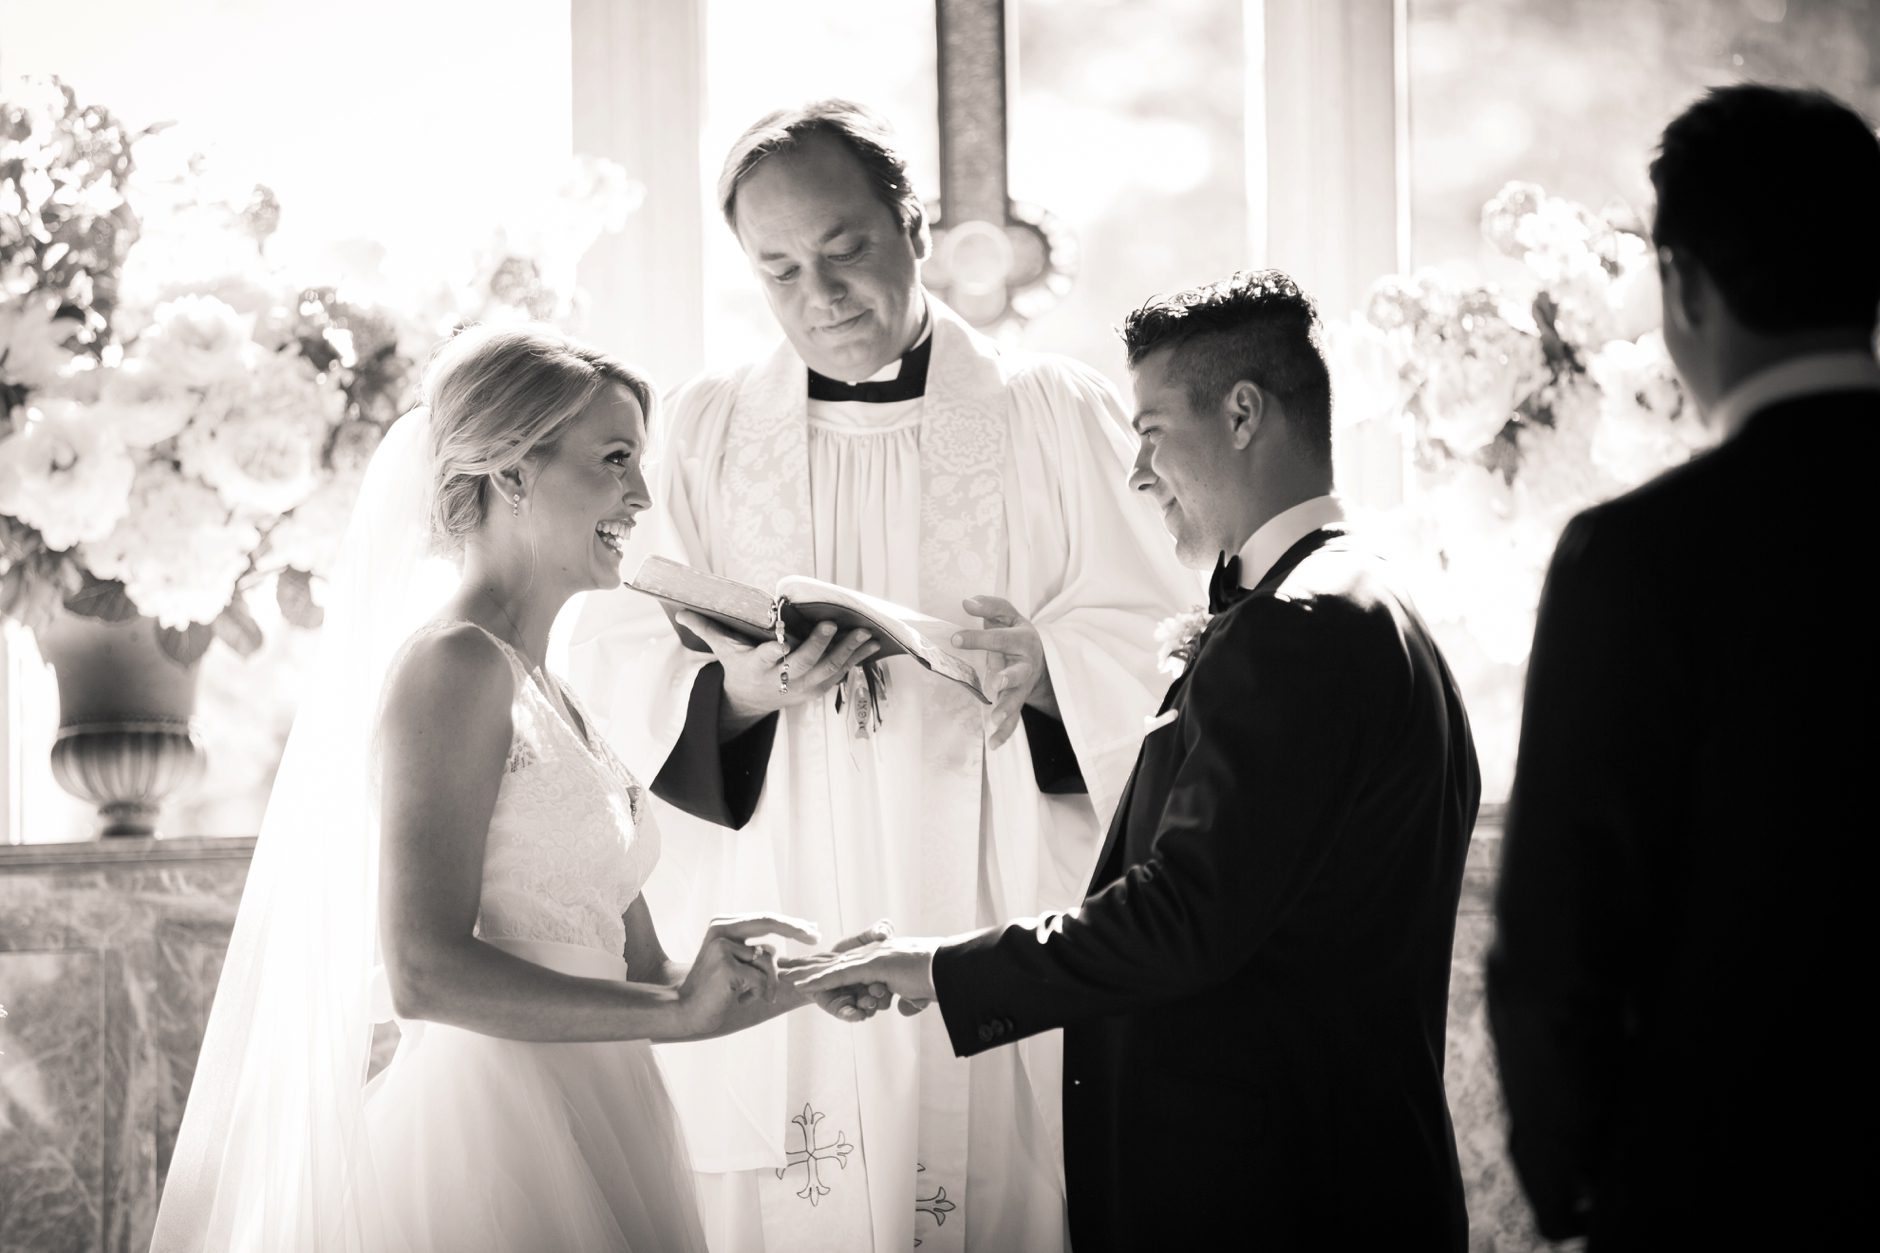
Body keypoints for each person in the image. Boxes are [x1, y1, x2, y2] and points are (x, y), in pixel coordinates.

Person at [569, 100, 1196, 1253]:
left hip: (997, 889)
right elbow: (605, 648)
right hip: (787, 887)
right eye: (778, 270)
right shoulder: (705, 428)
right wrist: (738, 695)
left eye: (845, 249)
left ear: (912, 226)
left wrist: (1047, 670)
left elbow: (1169, 633)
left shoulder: (1051, 413)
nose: (820, 293)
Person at [791, 270, 1481, 1252]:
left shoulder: (1294, 629)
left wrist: (939, 968)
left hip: (1276, 1192)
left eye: (1152, 432)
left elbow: (1182, 913)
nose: (1138, 473)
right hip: (1339, 1165)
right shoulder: (1369, 603)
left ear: (1241, 413)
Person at [152, 325, 847, 1252]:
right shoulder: (453, 665)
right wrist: (677, 1015)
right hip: (493, 1136)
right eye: (615, 459)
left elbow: (644, 970)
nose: (641, 496)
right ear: (514, 472)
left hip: (603, 1104)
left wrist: (818, 975)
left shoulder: (553, 690)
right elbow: (424, 970)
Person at [1487, 83, 1880, 1250]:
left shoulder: (1633, 557)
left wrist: (1578, 1193)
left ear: (1685, 285)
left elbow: (1556, 933)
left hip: (1719, 1186)